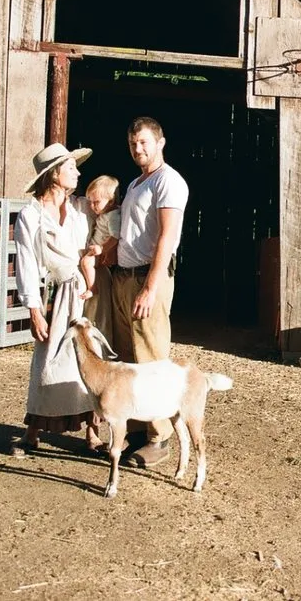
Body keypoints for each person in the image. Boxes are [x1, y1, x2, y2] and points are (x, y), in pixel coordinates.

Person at [11, 143, 104, 457]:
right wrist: (34, 310)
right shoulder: (31, 215)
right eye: (70, 168)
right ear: (53, 175)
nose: (77, 173)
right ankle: (32, 432)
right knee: (49, 358)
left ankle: (93, 433)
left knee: (91, 357)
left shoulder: (81, 208)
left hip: (85, 290)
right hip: (56, 292)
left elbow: (109, 219)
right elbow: (25, 262)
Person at [110, 116, 189, 468]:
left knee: (151, 358)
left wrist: (150, 287)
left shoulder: (168, 181)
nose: (137, 148)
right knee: (128, 358)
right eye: (132, 143)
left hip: (147, 279)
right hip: (124, 277)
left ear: (160, 142)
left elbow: (167, 237)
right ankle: (137, 429)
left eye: (143, 142)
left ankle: (160, 437)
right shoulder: (135, 183)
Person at [79, 175, 121, 343]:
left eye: (96, 202)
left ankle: (92, 287)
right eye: (90, 202)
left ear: (110, 201)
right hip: (97, 249)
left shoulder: (113, 216)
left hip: (100, 251)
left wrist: (102, 249)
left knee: (85, 262)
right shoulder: (105, 215)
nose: (92, 206)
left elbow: (115, 236)